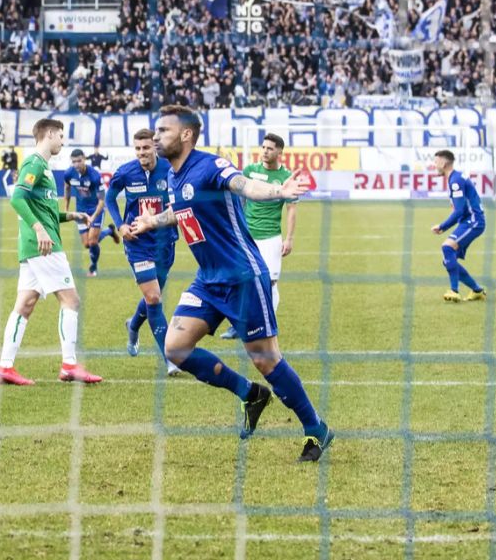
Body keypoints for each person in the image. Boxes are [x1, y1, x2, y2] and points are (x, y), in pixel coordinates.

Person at [132, 105, 333, 462]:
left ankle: (316, 428)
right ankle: (250, 394)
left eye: (163, 131)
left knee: (266, 360)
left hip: (242, 277)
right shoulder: (175, 176)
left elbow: (246, 186)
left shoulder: (210, 166)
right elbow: (181, 212)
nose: (156, 136)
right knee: (175, 348)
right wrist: (153, 222)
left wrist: (278, 192)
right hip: (207, 281)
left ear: (186, 135)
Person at [0, 119, 102, 386]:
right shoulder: (34, 163)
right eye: (61, 136)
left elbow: (44, 209)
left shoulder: (43, 168)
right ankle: (69, 365)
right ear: (50, 134)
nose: (63, 142)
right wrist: (40, 229)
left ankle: (5, 367)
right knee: (71, 300)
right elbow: (17, 198)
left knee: (25, 305)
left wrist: (70, 214)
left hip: (32, 247)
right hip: (44, 246)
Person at [104, 128, 181, 376]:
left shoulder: (169, 169)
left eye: (145, 148)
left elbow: (178, 200)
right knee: (154, 298)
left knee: (153, 295)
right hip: (137, 242)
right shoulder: (126, 172)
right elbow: (109, 198)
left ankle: (133, 324)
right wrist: (120, 224)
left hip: (164, 241)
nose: (141, 153)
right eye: (137, 149)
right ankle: (170, 358)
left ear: (154, 147)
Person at [222, 133, 298, 339]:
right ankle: (238, 324)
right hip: (246, 236)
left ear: (280, 152)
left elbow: (291, 210)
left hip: (270, 237)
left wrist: (289, 238)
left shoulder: (286, 178)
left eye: (270, 148)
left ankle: (266, 324)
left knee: (269, 282)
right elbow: (241, 201)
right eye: (263, 147)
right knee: (240, 280)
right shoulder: (250, 171)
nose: (265, 151)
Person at [431, 149, 486, 302]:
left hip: (474, 221)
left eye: (436, 162)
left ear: (443, 163)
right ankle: (477, 290)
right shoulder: (454, 178)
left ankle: (454, 291)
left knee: (447, 248)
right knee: (449, 258)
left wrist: (442, 226)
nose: (434, 165)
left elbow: (459, 210)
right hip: (468, 221)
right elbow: (459, 210)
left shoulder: (455, 181)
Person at [63, 149, 120, 276]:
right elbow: (66, 189)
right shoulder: (68, 174)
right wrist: (66, 209)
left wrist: (93, 217)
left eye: (79, 161)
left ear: (84, 159)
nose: (76, 164)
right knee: (87, 244)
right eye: (74, 162)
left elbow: (101, 200)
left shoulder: (94, 176)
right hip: (80, 211)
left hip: (96, 210)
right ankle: (109, 231)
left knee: (93, 241)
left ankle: (93, 268)